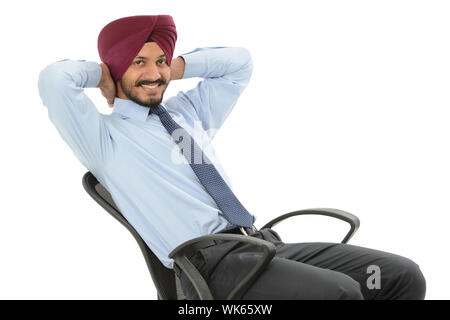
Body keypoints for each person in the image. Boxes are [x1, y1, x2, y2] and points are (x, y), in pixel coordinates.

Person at [38, 14, 426, 300]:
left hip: (259, 245)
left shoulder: (188, 114)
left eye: (160, 61)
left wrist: (175, 66)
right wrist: (104, 73)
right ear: (119, 65)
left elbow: (240, 63)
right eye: (138, 62)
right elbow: (54, 80)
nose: (153, 73)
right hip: (212, 270)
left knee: (399, 277)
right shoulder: (104, 138)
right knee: (340, 294)